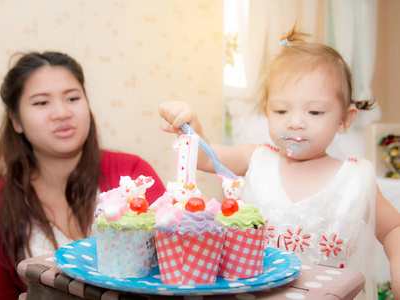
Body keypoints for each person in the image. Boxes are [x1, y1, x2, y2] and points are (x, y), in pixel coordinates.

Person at [159, 29, 400, 299]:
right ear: (267, 113)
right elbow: (205, 157)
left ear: (345, 119)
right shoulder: (256, 159)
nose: (295, 122)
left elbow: (393, 228)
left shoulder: (356, 179)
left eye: (315, 112)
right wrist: (192, 126)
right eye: (281, 111)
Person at [0, 51, 166, 300]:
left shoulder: (132, 175)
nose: (61, 113)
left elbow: (170, 265)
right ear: (16, 120)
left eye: (72, 98)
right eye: (41, 102)